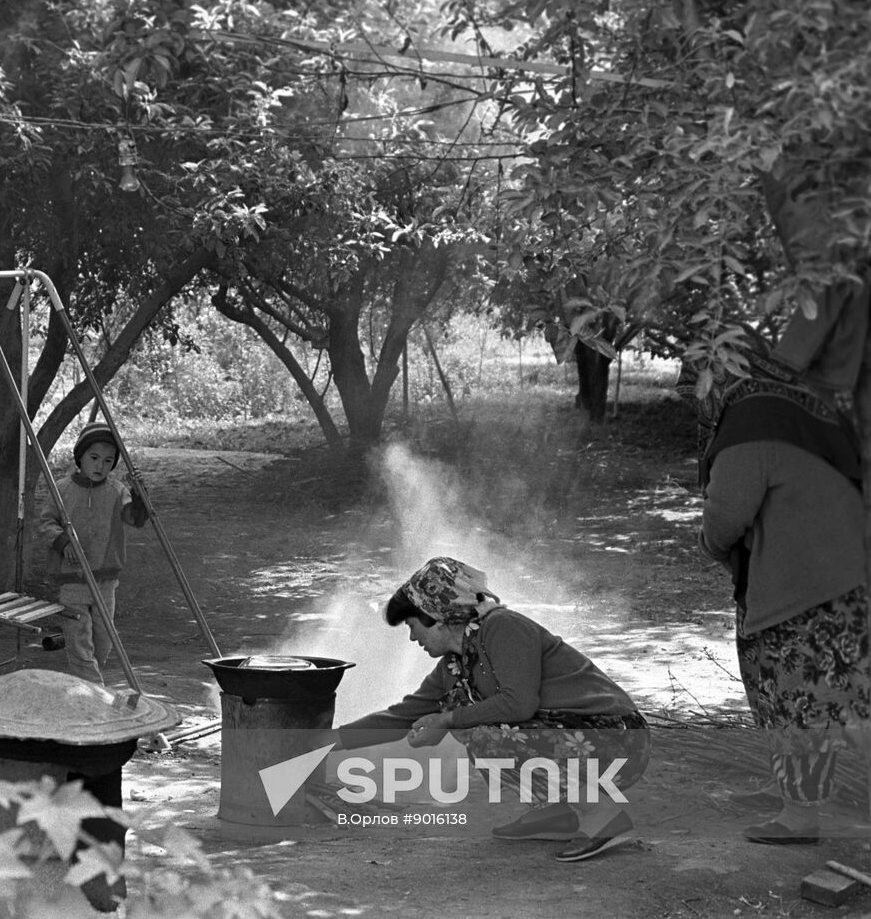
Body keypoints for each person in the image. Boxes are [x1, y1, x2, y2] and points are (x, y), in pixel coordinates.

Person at [332, 557, 650, 862]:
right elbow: (401, 716)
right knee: (477, 727)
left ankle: (602, 816)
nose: (413, 637)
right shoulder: (454, 665)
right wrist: (328, 742)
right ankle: (558, 815)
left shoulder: (503, 627)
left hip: (619, 741)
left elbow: (518, 703)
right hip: (584, 740)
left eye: (412, 625)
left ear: (438, 618)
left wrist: (447, 720)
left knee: (483, 735)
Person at [679, 338, 868, 844]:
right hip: (840, 577)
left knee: (792, 696)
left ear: (718, 376)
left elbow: (726, 514)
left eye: (695, 387)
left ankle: (800, 815)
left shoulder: (752, 420)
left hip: (797, 589)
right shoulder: (801, 406)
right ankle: (789, 790)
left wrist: (712, 544)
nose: (694, 402)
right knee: (811, 695)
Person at [38, 421, 149, 685]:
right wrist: (64, 542)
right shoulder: (62, 489)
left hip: (105, 580)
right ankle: (93, 690)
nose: (100, 466)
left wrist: (140, 495)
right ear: (80, 458)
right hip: (72, 579)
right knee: (79, 639)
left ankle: (86, 685)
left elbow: (135, 519)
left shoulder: (117, 491)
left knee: (104, 639)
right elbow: (45, 523)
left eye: (108, 461)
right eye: (94, 458)